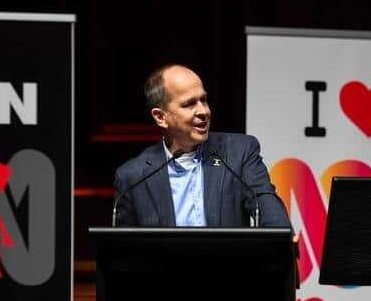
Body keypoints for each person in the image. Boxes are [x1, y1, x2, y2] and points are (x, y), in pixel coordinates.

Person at [113, 64, 292, 228]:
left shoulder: (239, 152)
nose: (203, 111)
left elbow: (268, 208)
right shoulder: (133, 177)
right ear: (161, 117)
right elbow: (122, 252)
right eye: (189, 104)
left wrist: (282, 236)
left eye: (203, 100)